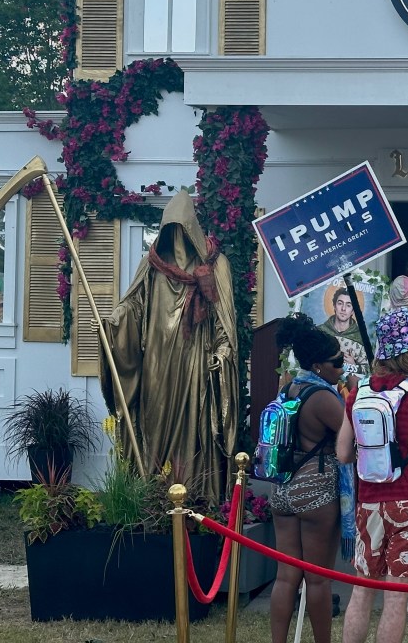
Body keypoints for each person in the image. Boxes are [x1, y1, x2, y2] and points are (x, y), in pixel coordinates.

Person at [100, 190, 239, 507]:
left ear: (192, 228)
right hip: (157, 366)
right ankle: (151, 497)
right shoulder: (152, 267)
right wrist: (113, 324)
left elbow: (224, 323)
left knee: (194, 426)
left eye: (182, 229)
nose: (176, 238)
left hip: (196, 364)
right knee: (154, 424)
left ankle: (196, 497)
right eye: (170, 230)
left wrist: (221, 352)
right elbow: (132, 307)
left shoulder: (215, 268)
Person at [337, 306, 408, 643]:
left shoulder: (359, 393)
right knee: (397, 595)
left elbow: (343, 452)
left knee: (362, 590)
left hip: (368, 502)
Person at [269, 314, 351, 643]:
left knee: (286, 576)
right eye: (337, 362)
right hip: (316, 491)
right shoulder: (324, 398)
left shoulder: (290, 387)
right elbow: (352, 441)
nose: (342, 367)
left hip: (284, 489)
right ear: (318, 365)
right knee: (317, 580)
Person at [317, 286, 368, 372]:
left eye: (348, 305)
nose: (343, 309)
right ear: (334, 306)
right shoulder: (320, 332)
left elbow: (369, 370)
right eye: (340, 303)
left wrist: (354, 366)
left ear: (353, 311)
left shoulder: (360, 337)